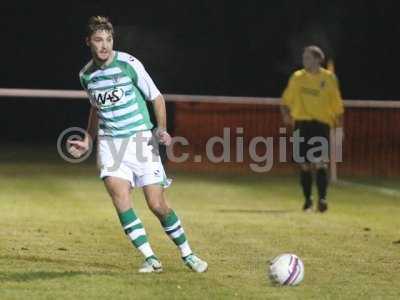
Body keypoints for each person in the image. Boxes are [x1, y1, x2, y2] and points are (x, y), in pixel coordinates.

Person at [68, 16, 207, 273]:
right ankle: (150, 258)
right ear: (88, 42)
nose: (104, 45)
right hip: (111, 145)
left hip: (140, 140)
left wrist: (161, 128)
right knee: (120, 198)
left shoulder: (128, 64)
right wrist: (89, 138)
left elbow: (156, 97)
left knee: (157, 204)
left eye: (108, 39)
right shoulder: (86, 75)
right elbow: (96, 108)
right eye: (98, 40)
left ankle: (188, 254)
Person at [281, 45, 344, 212]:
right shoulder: (297, 77)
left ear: (318, 59)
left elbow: (337, 105)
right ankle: (308, 200)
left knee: (320, 162)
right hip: (301, 124)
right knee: (304, 164)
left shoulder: (329, 78)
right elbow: (285, 101)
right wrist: (286, 114)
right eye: (304, 58)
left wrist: (340, 127)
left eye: (308, 58)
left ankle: (322, 199)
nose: (304, 61)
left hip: (321, 125)